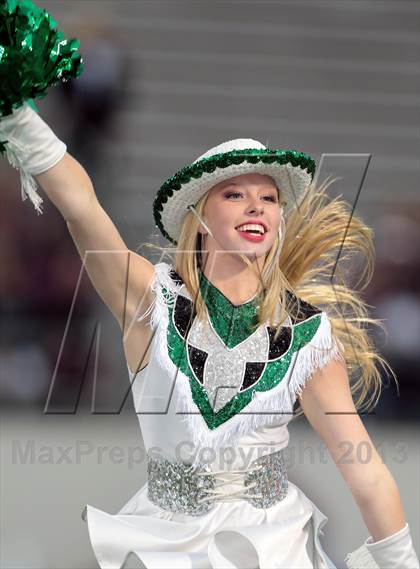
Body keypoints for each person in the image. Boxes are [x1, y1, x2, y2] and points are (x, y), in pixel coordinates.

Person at [1, 102, 419, 569]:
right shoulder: (148, 298)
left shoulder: (308, 335)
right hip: (164, 542)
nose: (257, 205)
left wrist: (402, 563)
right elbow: (82, 209)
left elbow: (365, 470)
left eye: (269, 197)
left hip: (273, 549)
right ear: (199, 216)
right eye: (235, 195)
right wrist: (19, 119)